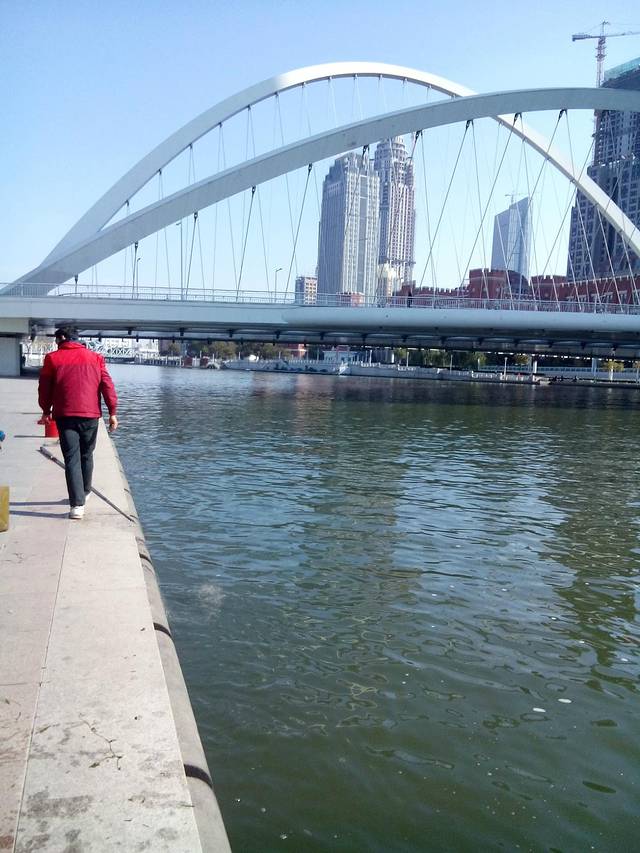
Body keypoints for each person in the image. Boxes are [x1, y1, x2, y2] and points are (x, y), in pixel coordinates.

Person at [38, 327, 118, 520]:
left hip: (65, 415)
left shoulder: (52, 358)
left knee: (71, 458)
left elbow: (44, 388)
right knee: (86, 454)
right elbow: (107, 386)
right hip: (90, 415)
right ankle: (85, 491)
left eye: (56, 340)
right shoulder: (96, 358)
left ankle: (77, 505)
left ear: (61, 338)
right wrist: (112, 412)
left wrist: (46, 410)